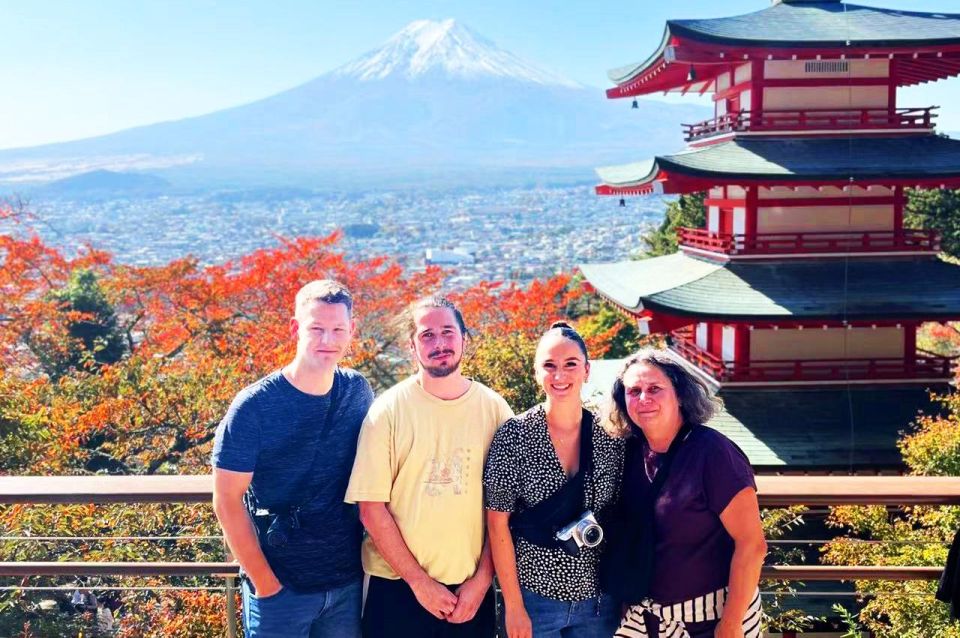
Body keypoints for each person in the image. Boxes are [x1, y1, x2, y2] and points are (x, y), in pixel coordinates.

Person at [212, 279, 374, 638]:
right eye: (316, 329)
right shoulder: (254, 406)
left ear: (351, 331)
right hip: (279, 585)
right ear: (295, 328)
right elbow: (226, 499)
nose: (327, 341)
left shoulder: (356, 392)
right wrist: (266, 584)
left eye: (337, 330)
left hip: (345, 581)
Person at [345, 295, 514, 638]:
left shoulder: (494, 410)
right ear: (412, 346)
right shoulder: (387, 411)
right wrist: (419, 583)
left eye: (448, 332)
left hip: (470, 592)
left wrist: (483, 581)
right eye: (427, 335)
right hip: (397, 588)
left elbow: (508, 509)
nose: (440, 344)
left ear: (464, 339)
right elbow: (371, 508)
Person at [604, 348, 767, 638]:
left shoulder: (713, 452)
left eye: (655, 388)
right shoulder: (628, 452)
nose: (644, 399)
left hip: (715, 619)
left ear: (680, 394)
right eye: (634, 391)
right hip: (645, 621)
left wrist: (730, 624)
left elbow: (752, 544)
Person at [483, 322, 624, 638]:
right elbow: (497, 523)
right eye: (549, 366)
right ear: (536, 373)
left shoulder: (610, 436)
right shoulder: (514, 435)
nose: (560, 375)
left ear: (586, 370)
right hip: (534, 596)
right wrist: (514, 605)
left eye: (570, 364)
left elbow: (619, 514)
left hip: (599, 599)